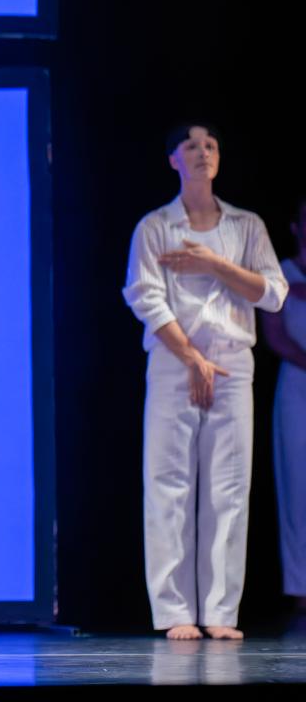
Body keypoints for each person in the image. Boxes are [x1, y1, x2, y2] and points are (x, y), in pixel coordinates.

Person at [123, 124, 288, 639]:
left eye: (211, 145)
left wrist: (213, 263)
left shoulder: (246, 225)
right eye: (191, 146)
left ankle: (221, 611)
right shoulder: (156, 226)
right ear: (173, 159)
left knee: (229, 486)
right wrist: (192, 356)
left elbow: (274, 293)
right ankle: (174, 611)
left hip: (233, 361)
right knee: (169, 483)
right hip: (177, 360)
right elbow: (144, 295)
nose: (203, 153)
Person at [261, 194, 306, 620]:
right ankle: (300, 588)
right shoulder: (281, 274)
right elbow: (274, 334)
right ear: (295, 226)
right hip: (297, 385)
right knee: (298, 488)